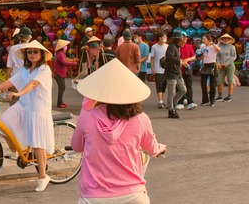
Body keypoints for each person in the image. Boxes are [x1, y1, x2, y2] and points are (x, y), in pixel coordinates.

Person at [71, 58, 166, 203]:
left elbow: (77, 146)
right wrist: (160, 148)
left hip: (94, 196)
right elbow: (152, 148)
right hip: (132, 195)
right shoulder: (141, 118)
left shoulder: (87, 116)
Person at [0, 40, 56, 191]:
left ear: (41, 55)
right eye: (29, 52)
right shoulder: (25, 69)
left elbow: (33, 84)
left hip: (38, 108)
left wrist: (18, 93)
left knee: (37, 143)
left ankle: (43, 177)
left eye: (35, 52)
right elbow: (10, 81)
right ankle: (14, 148)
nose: (32, 54)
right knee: (3, 122)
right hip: (24, 105)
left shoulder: (44, 69)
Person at [164, 31, 186, 119]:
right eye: (181, 39)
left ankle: (173, 103)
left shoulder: (176, 47)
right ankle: (171, 109)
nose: (182, 41)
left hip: (177, 73)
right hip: (171, 73)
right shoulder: (171, 47)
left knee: (183, 90)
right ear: (177, 39)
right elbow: (170, 57)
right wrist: (179, 61)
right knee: (171, 92)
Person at [53, 39, 77, 108]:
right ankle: (59, 103)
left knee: (62, 88)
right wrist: (73, 63)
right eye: (65, 46)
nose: (66, 47)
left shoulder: (61, 53)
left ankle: (61, 102)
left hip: (61, 72)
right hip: (59, 73)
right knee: (62, 87)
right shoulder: (60, 54)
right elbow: (64, 62)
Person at [177, 36, 197, 110]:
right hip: (179, 69)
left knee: (189, 85)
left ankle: (190, 102)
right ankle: (180, 102)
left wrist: (188, 59)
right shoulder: (177, 47)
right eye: (183, 38)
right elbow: (175, 57)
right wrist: (181, 61)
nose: (184, 40)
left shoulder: (189, 46)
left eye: (186, 38)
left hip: (187, 69)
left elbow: (194, 56)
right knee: (179, 86)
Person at [216, 33, 237, 102]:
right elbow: (217, 56)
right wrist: (218, 63)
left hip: (230, 65)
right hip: (221, 65)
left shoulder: (232, 47)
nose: (225, 40)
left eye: (227, 38)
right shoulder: (220, 47)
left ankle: (229, 96)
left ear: (229, 39)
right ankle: (220, 96)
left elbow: (234, 56)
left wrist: (227, 63)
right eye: (224, 38)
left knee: (230, 80)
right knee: (219, 81)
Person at [149, 33, 168, 109]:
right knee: (159, 85)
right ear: (160, 38)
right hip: (158, 69)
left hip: (166, 69)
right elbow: (152, 58)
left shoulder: (167, 46)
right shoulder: (154, 47)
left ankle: (162, 100)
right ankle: (160, 101)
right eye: (164, 37)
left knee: (164, 85)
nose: (165, 38)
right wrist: (152, 68)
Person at [199, 34, 219, 105]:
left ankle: (212, 100)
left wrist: (212, 43)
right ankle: (205, 100)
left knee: (212, 83)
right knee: (203, 83)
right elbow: (201, 56)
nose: (203, 40)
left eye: (204, 39)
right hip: (205, 64)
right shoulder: (202, 46)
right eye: (203, 39)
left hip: (212, 64)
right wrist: (199, 55)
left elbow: (218, 49)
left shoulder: (213, 46)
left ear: (208, 39)